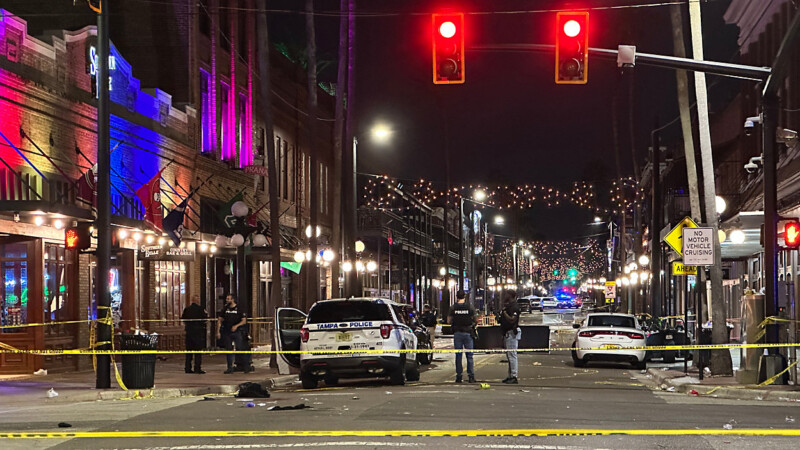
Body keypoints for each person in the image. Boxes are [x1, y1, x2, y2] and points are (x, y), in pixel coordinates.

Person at [448, 290, 477, 383]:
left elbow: (448, 320)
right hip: (468, 332)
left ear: (456, 297)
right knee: (469, 356)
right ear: (464, 296)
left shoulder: (453, 308)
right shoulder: (469, 307)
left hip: (457, 333)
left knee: (458, 356)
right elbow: (475, 319)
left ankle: (459, 376)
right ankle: (471, 376)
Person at [216, 294, 249, 374]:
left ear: (233, 299)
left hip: (237, 331)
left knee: (240, 348)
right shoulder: (225, 309)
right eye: (227, 298)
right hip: (227, 332)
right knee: (228, 350)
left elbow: (244, 320)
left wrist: (236, 326)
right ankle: (229, 367)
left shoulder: (239, 308)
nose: (227, 300)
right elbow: (219, 320)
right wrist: (218, 331)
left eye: (228, 299)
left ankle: (245, 366)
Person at [181, 294, 208, 374]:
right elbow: (205, 319)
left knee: (189, 352)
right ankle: (197, 368)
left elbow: (183, 319)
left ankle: (187, 368)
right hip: (198, 332)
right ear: (197, 300)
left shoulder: (187, 309)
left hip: (189, 332)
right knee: (197, 352)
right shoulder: (201, 309)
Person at [499, 289, 521, 384]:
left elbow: (512, 320)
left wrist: (504, 313)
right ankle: (510, 375)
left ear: (511, 295)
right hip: (507, 333)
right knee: (509, 356)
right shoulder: (508, 306)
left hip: (512, 332)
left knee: (512, 355)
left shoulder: (514, 306)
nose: (505, 296)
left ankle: (514, 376)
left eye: (507, 294)